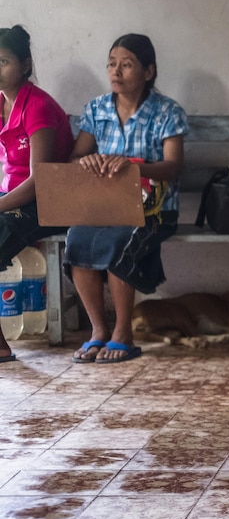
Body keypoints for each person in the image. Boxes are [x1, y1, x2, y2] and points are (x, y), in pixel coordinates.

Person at [66, 33, 187, 364]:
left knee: (120, 240)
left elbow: (174, 166)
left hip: (156, 209)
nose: (116, 71)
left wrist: (135, 166)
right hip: (105, 206)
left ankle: (123, 333)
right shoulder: (96, 109)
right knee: (76, 239)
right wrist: (86, 160)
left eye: (127, 64)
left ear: (148, 72)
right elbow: (75, 158)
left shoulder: (166, 112)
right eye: (111, 64)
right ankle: (98, 331)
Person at [0, 25, 76, 362]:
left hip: (48, 203)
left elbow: (39, 181)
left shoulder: (38, 107)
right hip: (15, 198)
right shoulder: (1, 102)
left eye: (3, 62)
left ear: (26, 65)